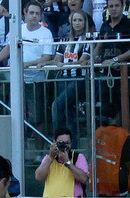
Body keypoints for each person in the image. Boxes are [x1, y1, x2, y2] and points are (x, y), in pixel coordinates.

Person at [0, 1, 53, 126]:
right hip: (16, 81)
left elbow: (47, 57)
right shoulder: (17, 29)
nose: (34, 16)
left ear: (40, 16)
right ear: (25, 13)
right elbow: (8, 48)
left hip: (36, 82)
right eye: (31, 13)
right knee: (15, 119)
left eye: (37, 13)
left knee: (37, 119)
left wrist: (28, 64)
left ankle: (38, 145)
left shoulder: (46, 33)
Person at [50, 9, 90, 144]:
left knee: (57, 106)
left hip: (79, 80)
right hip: (64, 78)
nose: (77, 23)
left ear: (85, 22)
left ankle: (59, 140)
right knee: (68, 111)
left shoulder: (88, 39)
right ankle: (72, 144)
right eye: (74, 20)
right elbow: (57, 59)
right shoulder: (64, 39)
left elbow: (84, 59)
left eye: (80, 20)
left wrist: (66, 64)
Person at [35, 128, 90, 197]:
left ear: (71, 143)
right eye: (61, 143)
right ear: (54, 142)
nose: (64, 146)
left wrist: (67, 162)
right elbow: (39, 177)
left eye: (67, 143)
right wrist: (50, 157)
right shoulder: (48, 158)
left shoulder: (78, 157)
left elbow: (84, 179)